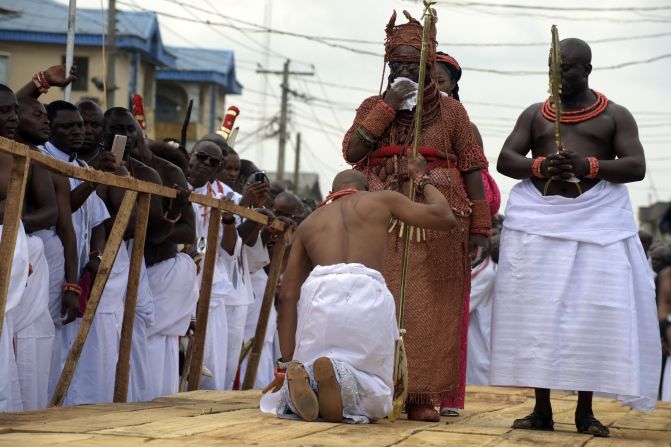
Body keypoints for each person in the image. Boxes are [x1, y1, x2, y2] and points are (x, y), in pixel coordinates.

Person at [491, 38, 660, 437]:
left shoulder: (615, 116)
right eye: (552, 67)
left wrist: (589, 165)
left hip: (595, 224)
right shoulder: (535, 115)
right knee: (538, 314)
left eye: (565, 68)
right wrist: (540, 164)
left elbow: (635, 166)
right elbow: (505, 160)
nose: (557, 76)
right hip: (540, 224)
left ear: (585, 70)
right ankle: (541, 409)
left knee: (588, 316)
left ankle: (585, 411)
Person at [342, 10, 490, 421]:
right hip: (380, 213)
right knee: (378, 299)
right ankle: (373, 387)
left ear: (429, 63)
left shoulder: (453, 114)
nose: (402, 69)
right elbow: (353, 151)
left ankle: (421, 394)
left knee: (430, 307)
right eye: (396, 64)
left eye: (411, 63)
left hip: (439, 216)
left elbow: (475, 168)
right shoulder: (373, 104)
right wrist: (387, 107)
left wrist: (480, 225)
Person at [261, 157, 456, 423]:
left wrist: (285, 363)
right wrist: (422, 179)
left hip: (319, 293)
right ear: (365, 188)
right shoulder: (382, 200)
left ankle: (308, 378)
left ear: (331, 193)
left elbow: (287, 295)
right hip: (366, 292)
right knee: (374, 385)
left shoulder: (309, 222)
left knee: (311, 360)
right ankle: (341, 384)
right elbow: (445, 217)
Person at [40, 101, 126, 406]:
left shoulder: (85, 167)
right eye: (68, 126)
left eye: (80, 125)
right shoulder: (44, 159)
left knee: (72, 346)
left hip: (80, 269)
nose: (78, 131)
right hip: (51, 263)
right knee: (46, 344)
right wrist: (94, 179)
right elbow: (66, 209)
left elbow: (99, 220)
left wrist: (97, 256)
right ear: (49, 128)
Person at [434, 50, 501, 416]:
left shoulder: (464, 125)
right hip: (404, 229)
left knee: (446, 316)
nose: (432, 88)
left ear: (454, 85)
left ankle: (442, 394)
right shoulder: (398, 117)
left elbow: (482, 187)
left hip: (449, 232)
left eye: (440, 81)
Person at [76, 100, 104, 166]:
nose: (88, 131)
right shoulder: (54, 158)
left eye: (95, 125)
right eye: (82, 124)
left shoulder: (112, 164)